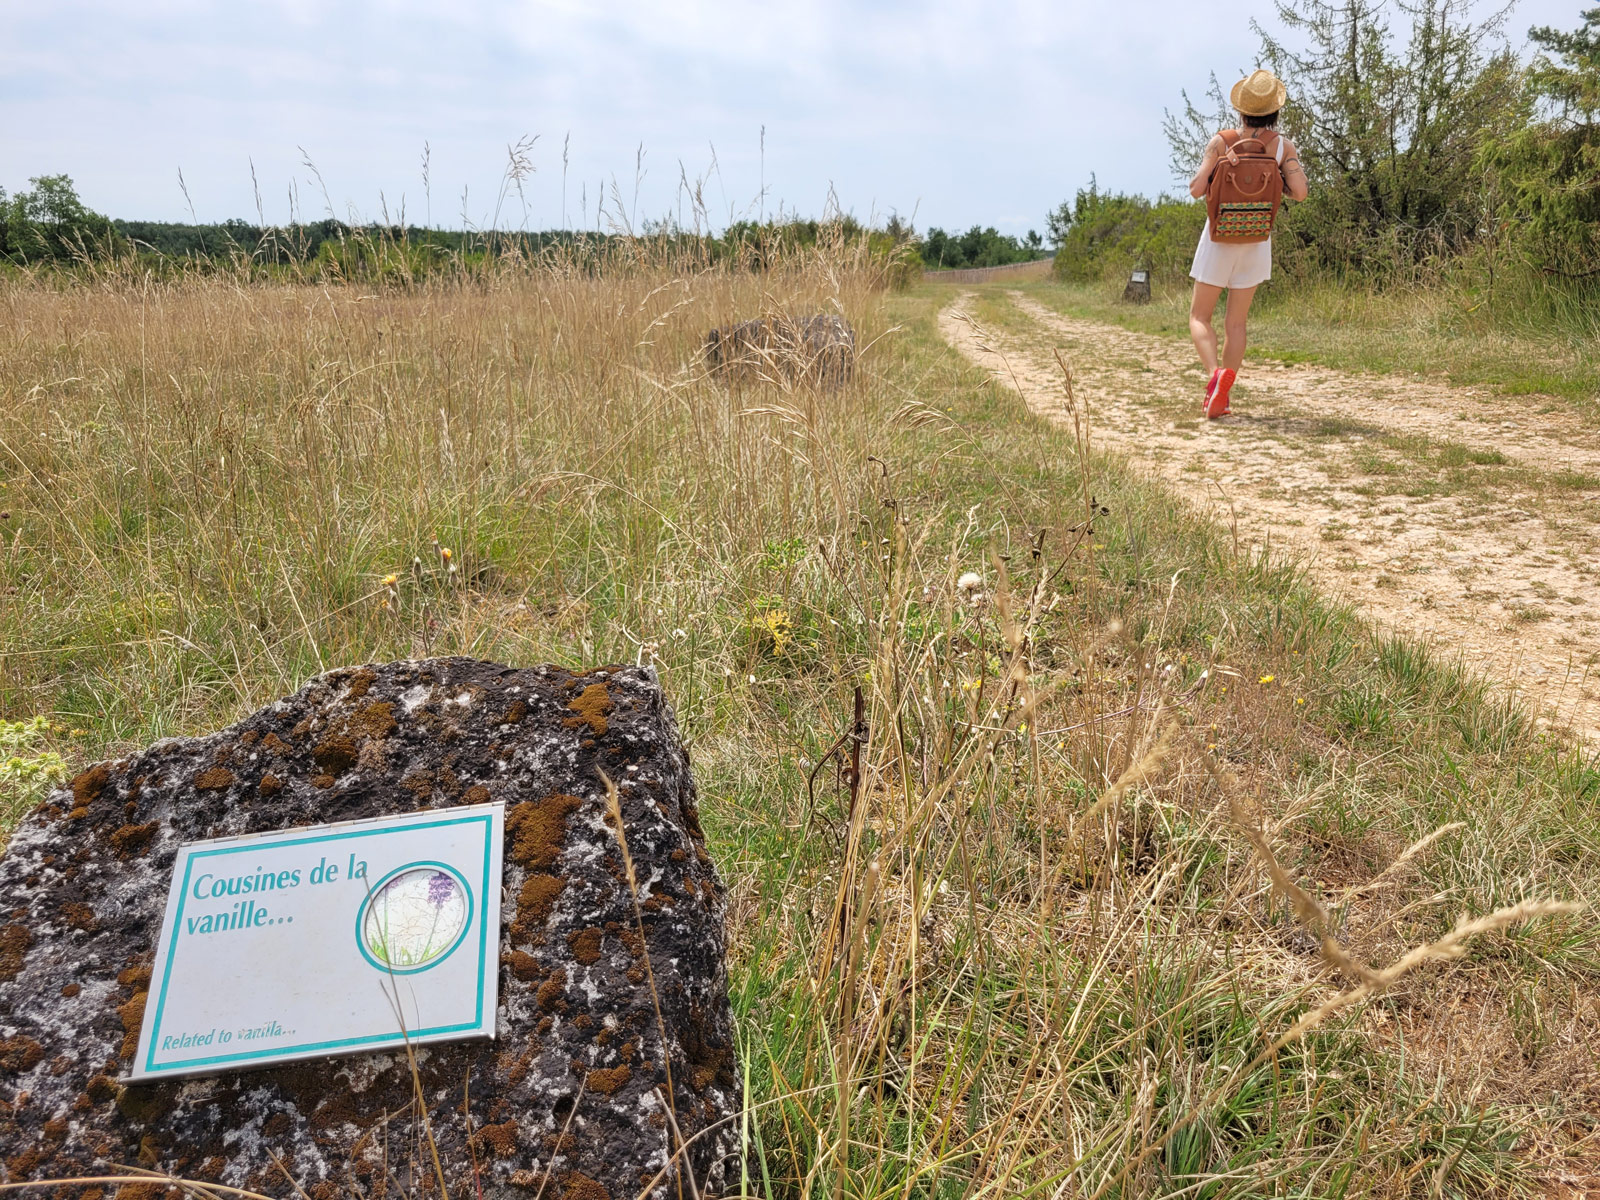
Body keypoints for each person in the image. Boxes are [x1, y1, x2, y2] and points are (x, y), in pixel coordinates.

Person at [1187, 69, 1309, 418]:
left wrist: (1215, 168)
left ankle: (1215, 377)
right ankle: (1223, 395)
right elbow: (1300, 193)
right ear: (1275, 111)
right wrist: (1279, 180)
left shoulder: (1221, 141)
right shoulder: (1284, 147)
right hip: (1257, 239)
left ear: (1241, 109)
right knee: (1236, 324)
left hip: (1219, 236)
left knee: (1199, 316)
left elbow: (1197, 190)